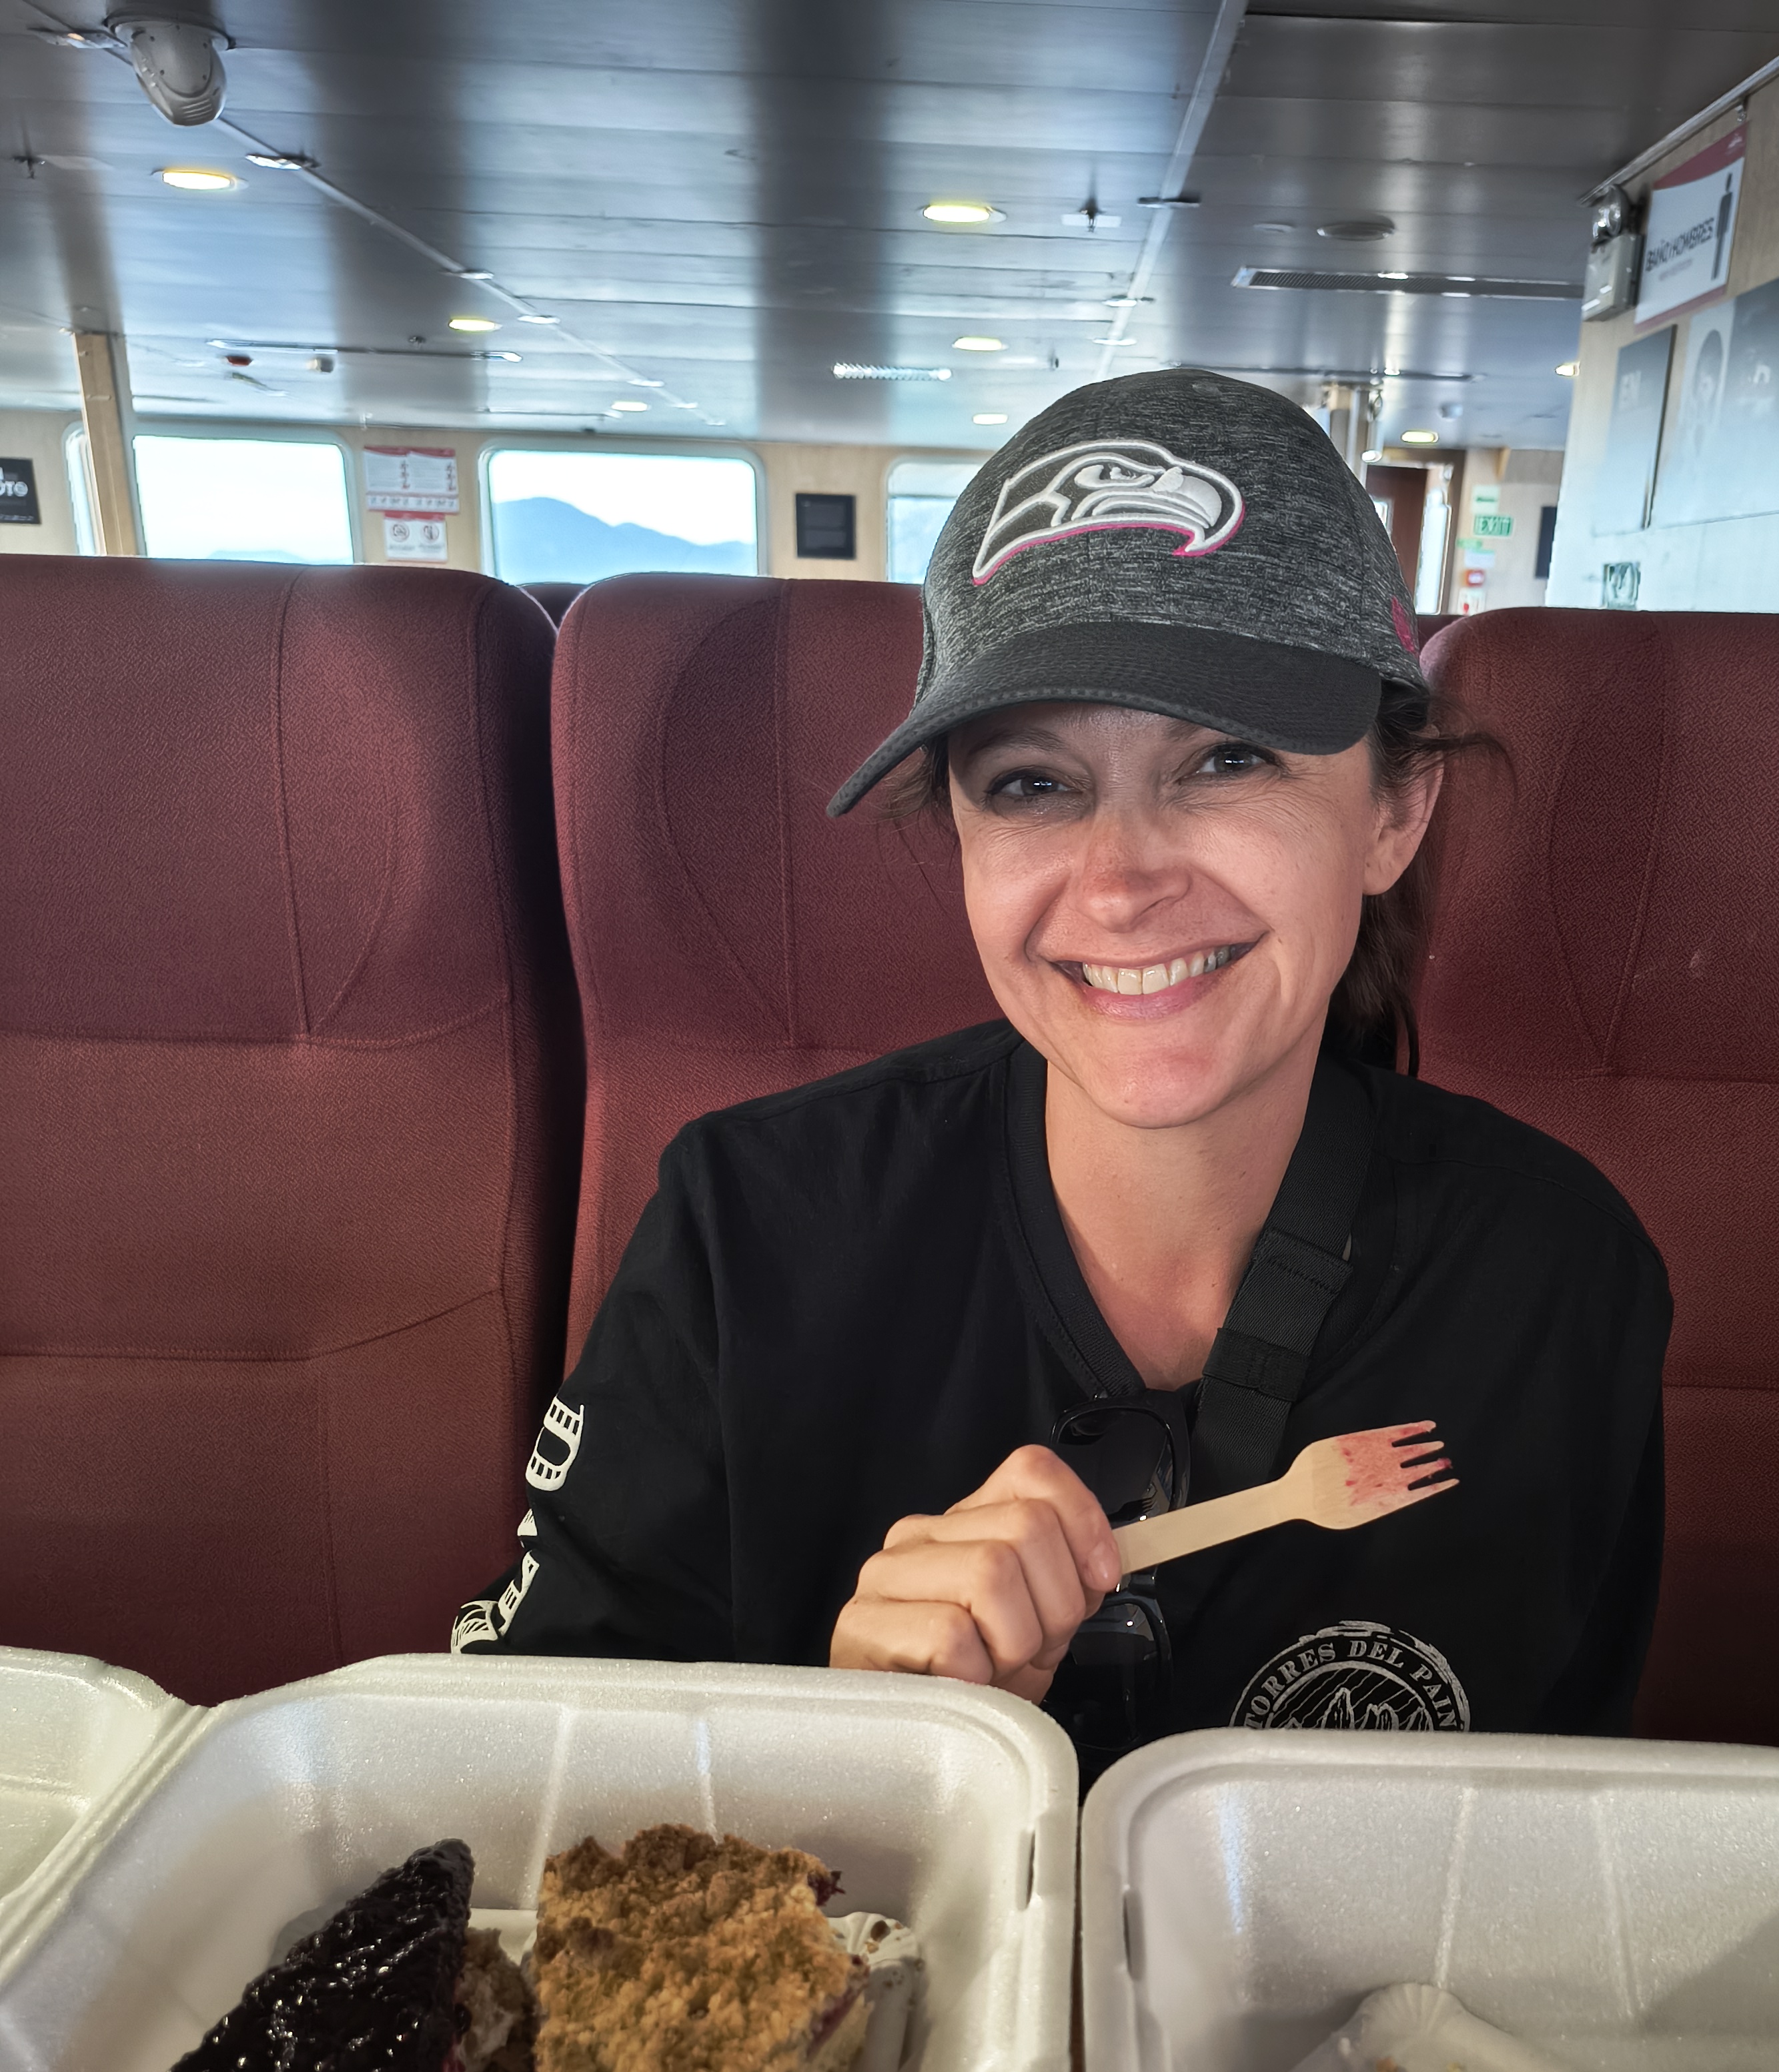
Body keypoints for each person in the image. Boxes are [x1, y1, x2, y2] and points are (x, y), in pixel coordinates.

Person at [455, 370, 1670, 1775]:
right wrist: (843, 1749)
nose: (1120, 883)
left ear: (1395, 811)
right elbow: (520, 1776)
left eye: (1227, 760)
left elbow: (1556, 1830)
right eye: (1032, 783)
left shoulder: (1559, 1282)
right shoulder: (749, 1231)